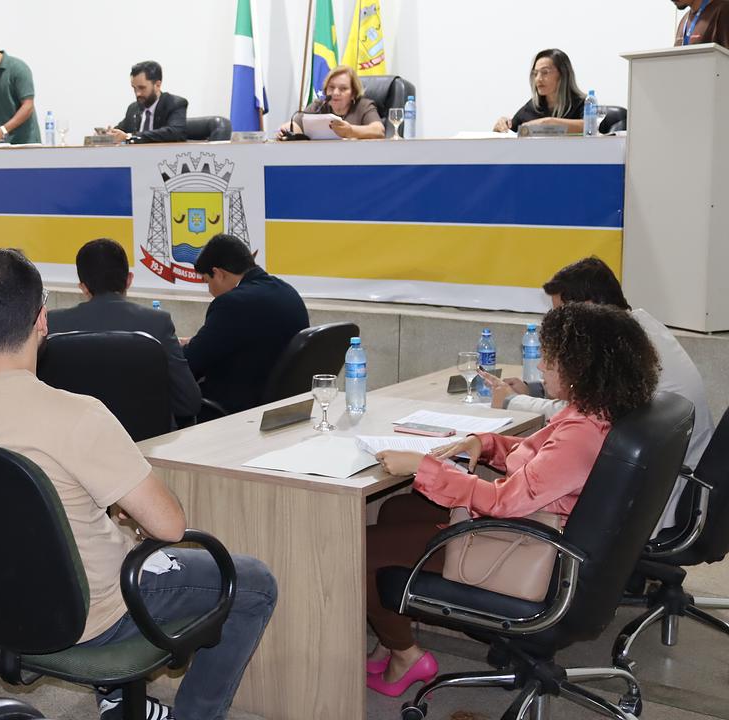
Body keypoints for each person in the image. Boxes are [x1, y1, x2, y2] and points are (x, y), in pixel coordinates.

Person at [0, 249, 277, 720]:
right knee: (253, 581)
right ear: (42, 319)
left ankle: (117, 696)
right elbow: (169, 526)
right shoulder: (78, 415)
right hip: (90, 615)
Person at [367, 302, 660, 697]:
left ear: (581, 367)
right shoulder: (595, 413)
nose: (541, 367)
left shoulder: (581, 435)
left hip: (527, 548)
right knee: (394, 509)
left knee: (362, 552)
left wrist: (423, 467)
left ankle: (406, 656)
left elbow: (502, 502)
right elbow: (539, 459)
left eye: (551, 359)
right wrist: (485, 444)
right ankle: (390, 640)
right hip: (543, 531)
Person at [483, 256, 713, 531]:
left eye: (563, 315)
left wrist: (512, 401)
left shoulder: (626, 348)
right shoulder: (639, 329)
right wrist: (537, 389)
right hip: (675, 484)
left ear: (588, 308)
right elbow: (595, 399)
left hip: (658, 503)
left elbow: (589, 419)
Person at [48, 238, 201, 421]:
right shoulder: (157, 323)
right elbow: (188, 402)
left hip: (75, 435)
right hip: (147, 437)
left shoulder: (54, 325)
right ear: (129, 280)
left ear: (83, 287)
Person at [182, 234, 309, 415]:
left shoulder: (232, 304)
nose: (209, 290)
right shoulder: (287, 291)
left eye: (207, 281)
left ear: (219, 274)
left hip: (236, 410)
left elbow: (190, 362)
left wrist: (174, 349)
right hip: (281, 406)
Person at [276, 66, 384, 140]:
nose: (335, 93)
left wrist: (350, 131)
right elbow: (297, 125)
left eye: (343, 89)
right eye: (331, 87)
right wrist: (286, 130)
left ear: (353, 93)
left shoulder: (363, 106)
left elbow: (379, 131)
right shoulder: (320, 106)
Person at [493, 49, 586, 134]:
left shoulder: (583, 103)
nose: (538, 79)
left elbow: (590, 126)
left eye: (545, 72)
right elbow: (510, 134)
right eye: (535, 73)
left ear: (563, 74)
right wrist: (501, 127)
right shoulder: (532, 107)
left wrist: (548, 123)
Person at [107, 61, 188, 144]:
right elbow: (120, 132)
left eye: (142, 88)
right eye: (134, 88)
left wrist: (130, 137)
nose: (137, 93)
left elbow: (175, 132)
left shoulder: (174, 104)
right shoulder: (133, 108)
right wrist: (108, 134)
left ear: (157, 85)